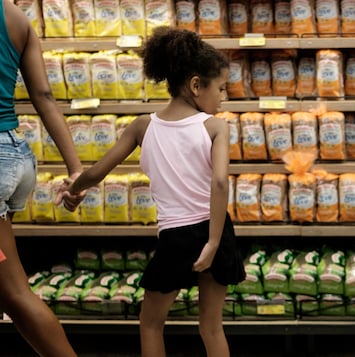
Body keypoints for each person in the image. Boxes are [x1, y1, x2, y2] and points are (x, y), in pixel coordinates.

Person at [59, 27, 246, 357]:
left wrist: (74, 188)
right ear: (195, 85)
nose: (223, 97)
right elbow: (219, 183)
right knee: (212, 327)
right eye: (221, 88)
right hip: (216, 228)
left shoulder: (143, 126)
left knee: (150, 323)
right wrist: (214, 242)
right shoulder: (215, 126)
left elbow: (97, 172)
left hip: (176, 236)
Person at [0, 0, 84, 355]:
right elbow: (44, 95)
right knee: (9, 291)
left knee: (15, 293)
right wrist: (76, 169)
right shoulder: (15, 17)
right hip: (14, 154)